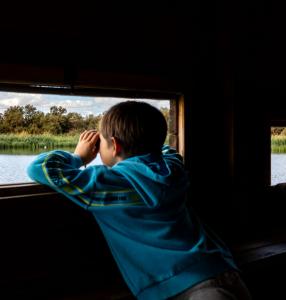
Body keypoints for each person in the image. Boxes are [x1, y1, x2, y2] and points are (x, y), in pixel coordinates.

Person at [27, 101, 251, 300]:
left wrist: (79, 156)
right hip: (220, 269)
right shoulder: (172, 169)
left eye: (101, 142)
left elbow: (40, 168)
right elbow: (167, 151)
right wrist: (148, 142)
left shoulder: (109, 183)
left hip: (183, 287)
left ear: (115, 145)